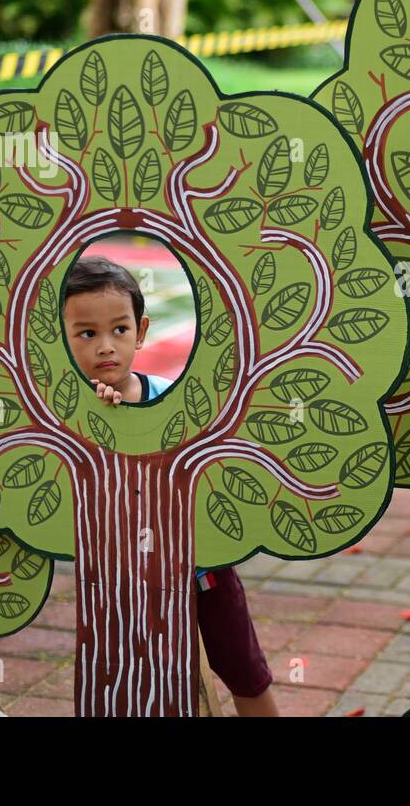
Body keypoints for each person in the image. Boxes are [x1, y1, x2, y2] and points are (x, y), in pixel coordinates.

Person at [62, 254, 278, 716]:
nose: (106, 347)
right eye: (87, 334)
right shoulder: (70, 415)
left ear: (140, 332)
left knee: (245, 668)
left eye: (119, 330)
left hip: (204, 572)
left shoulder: (169, 396)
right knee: (139, 679)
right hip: (127, 583)